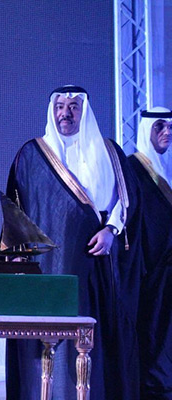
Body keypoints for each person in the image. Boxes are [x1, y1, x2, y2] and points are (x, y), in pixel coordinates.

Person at [5, 85, 142, 399]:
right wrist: (15, 254)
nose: (65, 114)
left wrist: (111, 231)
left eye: (73, 107)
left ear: (85, 112)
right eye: (60, 107)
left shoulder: (108, 151)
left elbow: (126, 199)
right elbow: (15, 209)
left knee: (92, 339)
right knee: (44, 340)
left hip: (94, 265)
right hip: (45, 268)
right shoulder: (31, 154)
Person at [129, 107, 172, 399]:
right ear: (147, 130)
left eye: (170, 127)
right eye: (159, 127)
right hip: (146, 270)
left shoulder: (167, 170)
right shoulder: (133, 168)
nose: (167, 133)